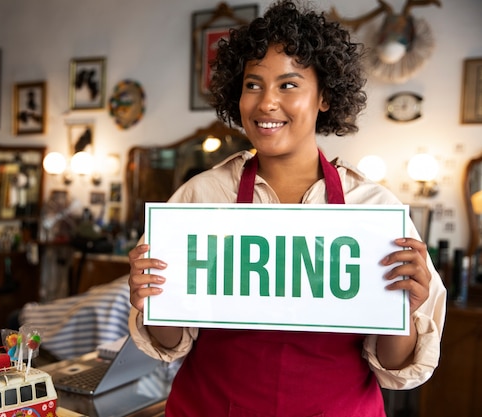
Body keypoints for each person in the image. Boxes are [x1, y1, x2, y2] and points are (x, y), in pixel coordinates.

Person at [127, 1, 447, 416]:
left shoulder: (375, 211)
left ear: (325, 97)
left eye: (289, 85)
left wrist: (403, 311)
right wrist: (152, 299)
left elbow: (395, 365)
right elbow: (168, 344)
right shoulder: (200, 197)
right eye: (253, 84)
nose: (266, 103)